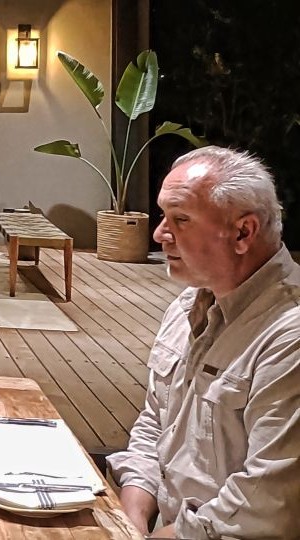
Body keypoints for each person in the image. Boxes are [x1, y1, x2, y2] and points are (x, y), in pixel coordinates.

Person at [108, 146, 300, 538]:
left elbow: (263, 507)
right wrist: (131, 522)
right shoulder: (187, 306)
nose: (159, 234)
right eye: (163, 216)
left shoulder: (289, 335)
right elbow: (153, 427)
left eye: (180, 219)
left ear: (243, 232)